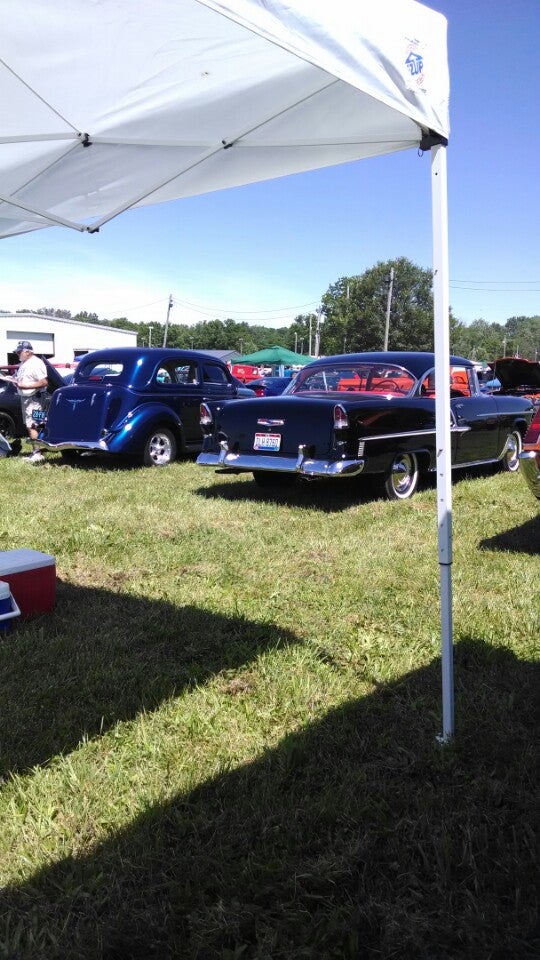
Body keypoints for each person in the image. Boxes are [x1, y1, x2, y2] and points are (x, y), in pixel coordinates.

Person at [13, 340, 48, 462]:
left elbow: (44, 382)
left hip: (34, 398)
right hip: (28, 398)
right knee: (38, 423)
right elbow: (23, 379)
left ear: (28, 352)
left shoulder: (36, 363)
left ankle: (37, 454)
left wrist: (25, 386)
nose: (17, 354)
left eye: (19, 352)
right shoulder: (24, 363)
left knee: (32, 424)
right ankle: (40, 451)